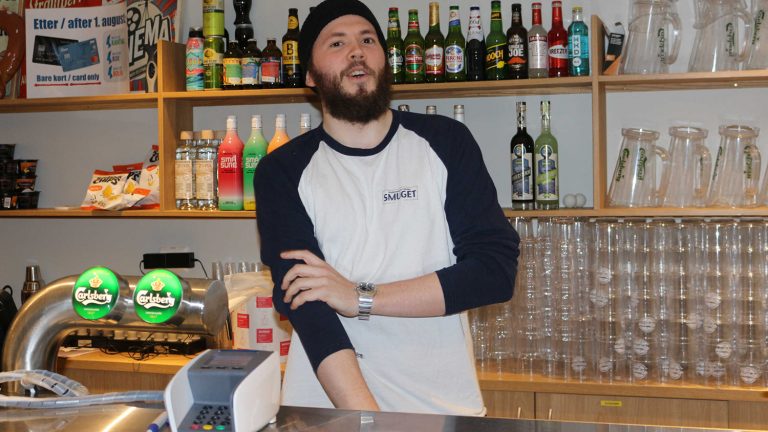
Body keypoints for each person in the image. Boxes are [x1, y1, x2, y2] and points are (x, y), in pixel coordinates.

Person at [254, 0, 519, 415]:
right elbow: (308, 307)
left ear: (384, 58)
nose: (356, 51)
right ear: (310, 75)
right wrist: (371, 420)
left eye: (367, 40)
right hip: (330, 413)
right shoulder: (282, 170)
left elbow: (494, 273)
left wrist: (360, 297)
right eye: (337, 43)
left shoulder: (447, 142)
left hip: (441, 408)